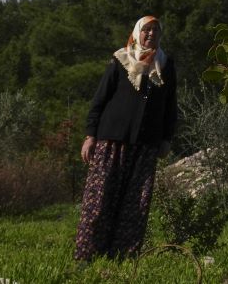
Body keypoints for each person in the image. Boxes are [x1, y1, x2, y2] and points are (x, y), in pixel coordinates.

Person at [74, 15, 178, 262]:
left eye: (156, 30)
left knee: (135, 204)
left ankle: (123, 258)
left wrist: (166, 138)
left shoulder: (166, 65)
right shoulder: (120, 60)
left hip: (145, 145)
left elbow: (170, 106)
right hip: (111, 141)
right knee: (100, 199)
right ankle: (87, 256)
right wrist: (90, 135)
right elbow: (99, 100)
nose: (151, 34)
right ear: (137, 33)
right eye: (146, 30)